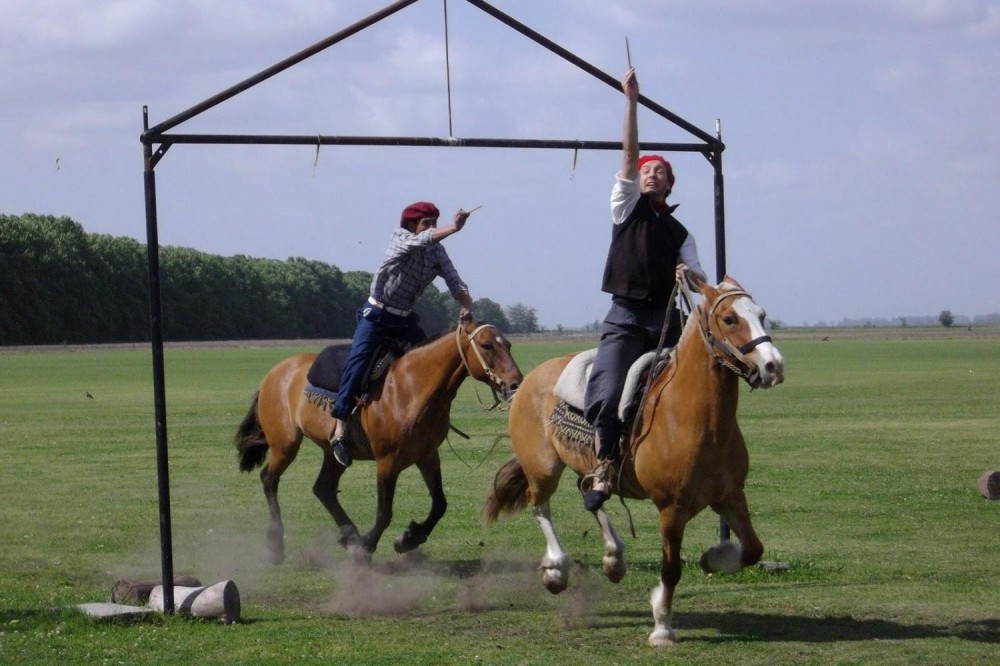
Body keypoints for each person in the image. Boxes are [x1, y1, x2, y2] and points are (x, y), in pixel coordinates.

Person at [581, 67, 707, 511]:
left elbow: (700, 280)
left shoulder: (680, 232)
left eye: (660, 172)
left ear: (671, 185)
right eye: (647, 170)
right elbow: (629, 155)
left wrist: (686, 277)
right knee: (609, 390)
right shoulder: (625, 207)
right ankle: (603, 466)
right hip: (627, 319)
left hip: (668, 323)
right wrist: (630, 102)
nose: (650, 175)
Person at [330, 201, 475, 467]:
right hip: (376, 316)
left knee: (431, 364)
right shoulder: (401, 239)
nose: (430, 228)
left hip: (404, 320)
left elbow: (454, 280)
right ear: (411, 225)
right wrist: (454, 227)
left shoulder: (437, 252)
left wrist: (466, 304)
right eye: (425, 223)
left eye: (434, 223)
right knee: (358, 361)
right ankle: (340, 428)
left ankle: (427, 422)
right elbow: (421, 241)